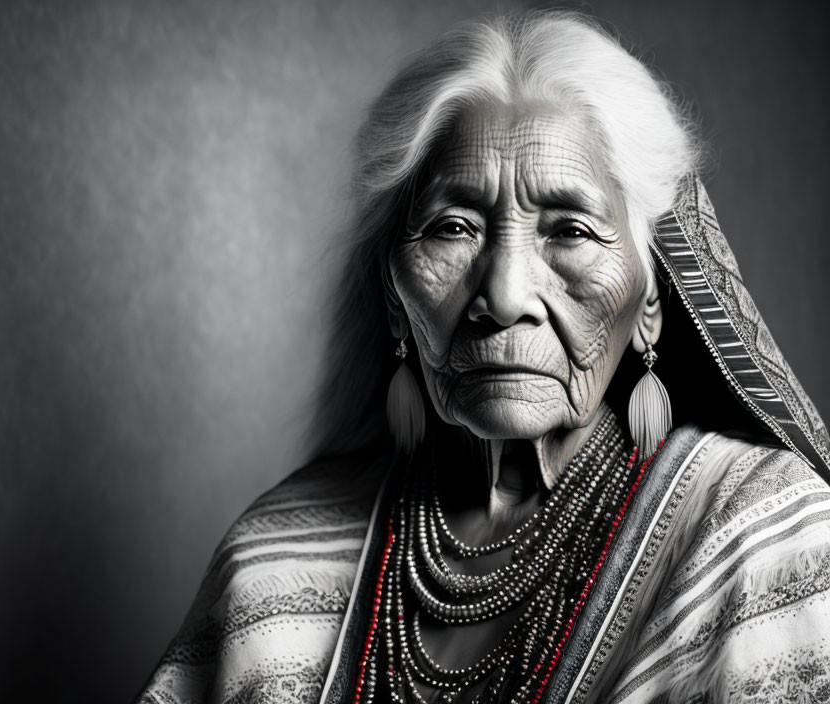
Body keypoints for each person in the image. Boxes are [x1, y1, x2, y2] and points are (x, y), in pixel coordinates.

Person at [137, 11, 830, 704]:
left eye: (570, 230)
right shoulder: (272, 570)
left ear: (651, 301)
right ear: (393, 298)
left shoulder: (761, 539)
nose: (503, 294)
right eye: (453, 228)